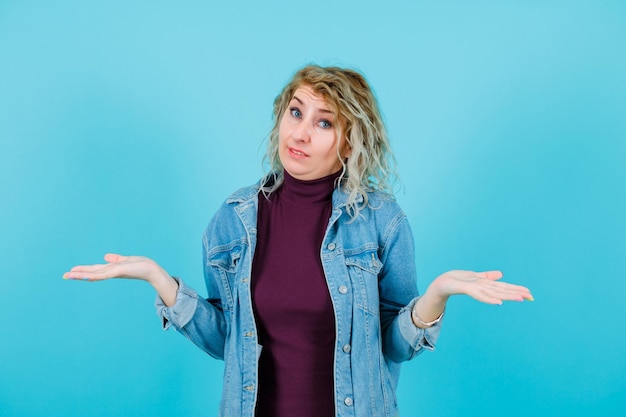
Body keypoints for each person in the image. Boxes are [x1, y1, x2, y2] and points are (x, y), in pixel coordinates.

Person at [64, 65, 533, 417]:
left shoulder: (381, 220)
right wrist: (158, 280)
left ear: (349, 143)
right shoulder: (235, 219)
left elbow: (393, 345)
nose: (301, 133)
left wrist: (436, 296)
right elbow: (226, 339)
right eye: (296, 112)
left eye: (324, 123)